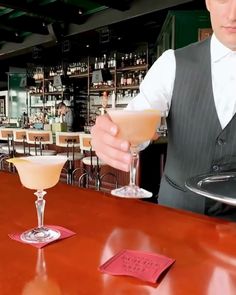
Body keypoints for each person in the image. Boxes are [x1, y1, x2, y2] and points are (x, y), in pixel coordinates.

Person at [91, 0, 236, 220]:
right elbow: (139, 116)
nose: (233, 14)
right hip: (175, 216)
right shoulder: (172, 64)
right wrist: (109, 133)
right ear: (208, 2)